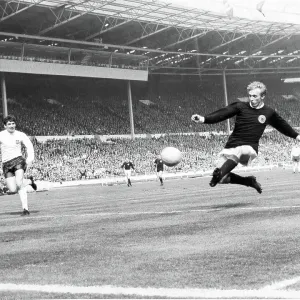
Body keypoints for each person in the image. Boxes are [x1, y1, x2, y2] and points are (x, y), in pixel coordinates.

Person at [191, 81, 300, 194]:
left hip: (250, 148)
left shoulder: (268, 112)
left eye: (255, 96)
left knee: (240, 150)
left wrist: (297, 136)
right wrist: (203, 119)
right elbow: (222, 114)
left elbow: (282, 126)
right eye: (250, 96)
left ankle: (219, 174)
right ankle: (249, 181)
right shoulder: (240, 106)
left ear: (262, 96)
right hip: (232, 145)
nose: (251, 98)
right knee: (222, 178)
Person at [0, 115, 37, 216]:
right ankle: (29, 181)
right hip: (6, 164)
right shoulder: (1, 135)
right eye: (9, 124)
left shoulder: (20, 135)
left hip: (18, 161)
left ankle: (25, 209)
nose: (11, 125)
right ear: (5, 126)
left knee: (19, 183)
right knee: (12, 189)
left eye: (13, 123)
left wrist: (30, 159)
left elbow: (29, 145)